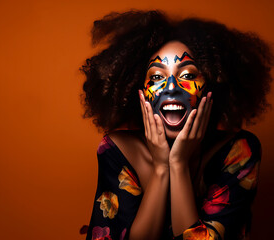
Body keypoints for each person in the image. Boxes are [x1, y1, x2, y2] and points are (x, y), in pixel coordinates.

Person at [81, 10, 273, 240]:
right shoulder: (116, 150)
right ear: (137, 91)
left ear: (212, 87)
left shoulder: (239, 152)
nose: (171, 86)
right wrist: (162, 169)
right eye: (156, 77)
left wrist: (178, 163)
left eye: (189, 75)